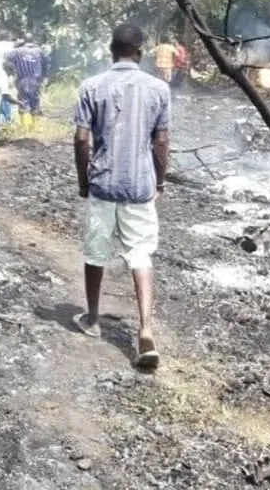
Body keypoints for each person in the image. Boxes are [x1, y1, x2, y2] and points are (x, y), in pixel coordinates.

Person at [72, 23, 171, 371]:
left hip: (103, 182)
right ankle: (145, 329)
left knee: (96, 253)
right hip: (139, 186)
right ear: (140, 53)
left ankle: (94, 319)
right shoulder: (159, 89)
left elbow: (82, 140)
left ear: (111, 50)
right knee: (140, 256)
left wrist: (83, 180)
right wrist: (159, 181)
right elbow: (160, 142)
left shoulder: (92, 86)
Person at [6, 34, 49, 125]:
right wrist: (44, 77)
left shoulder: (16, 51)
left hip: (22, 80)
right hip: (36, 80)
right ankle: (36, 127)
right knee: (35, 102)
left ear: (23, 40)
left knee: (23, 102)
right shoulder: (40, 51)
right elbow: (46, 64)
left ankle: (25, 128)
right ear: (33, 40)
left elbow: (7, 61)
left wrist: (14, 71)